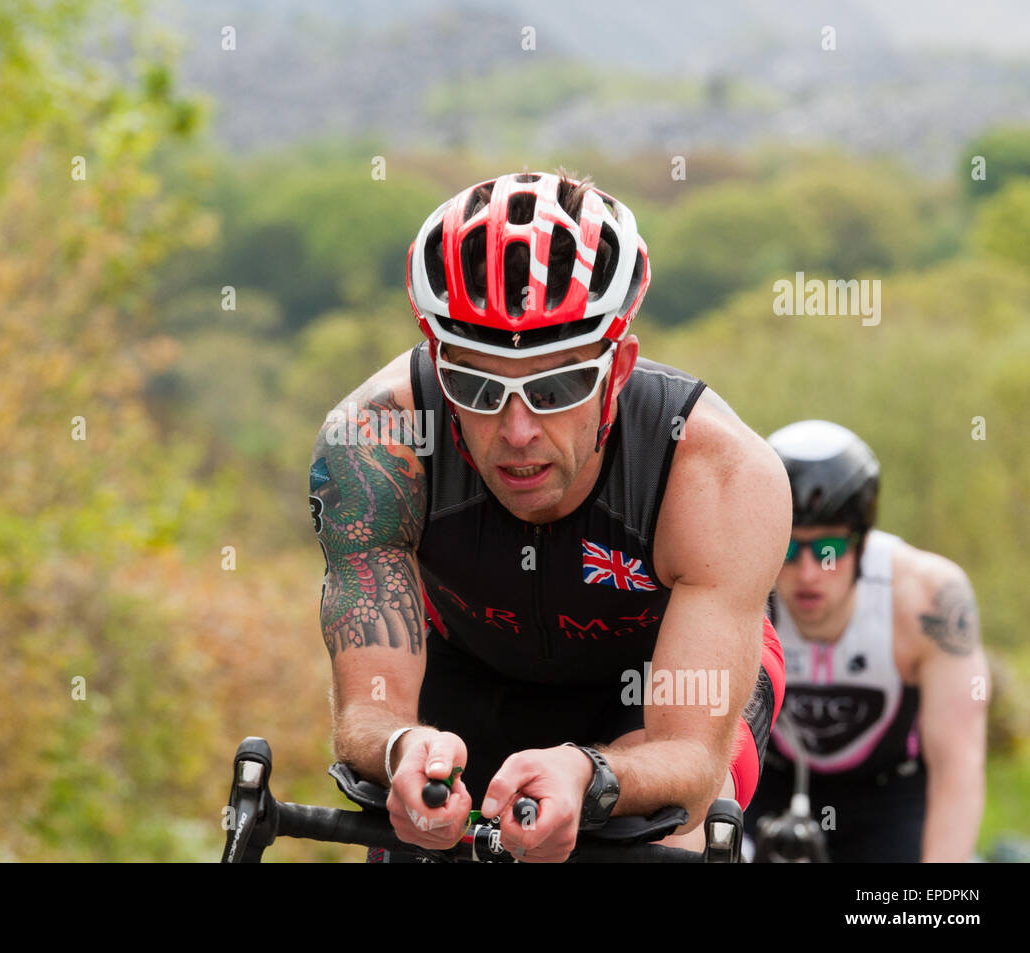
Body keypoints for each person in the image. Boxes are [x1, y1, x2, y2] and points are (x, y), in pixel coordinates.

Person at [308, 170, 790, 862]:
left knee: (672, 827)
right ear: (439, 365)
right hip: (469, 667)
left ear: (618, 366)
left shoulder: (720, 475)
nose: (517, 430)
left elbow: (689, 755)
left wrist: (591, 776)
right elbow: (368, 712)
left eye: (557, 385)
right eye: (475, 386)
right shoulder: (375, 446)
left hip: (656, 685)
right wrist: (402, 747)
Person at [745, 420, 989, 862]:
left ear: (861, 541)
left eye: (828, 550)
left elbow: (958, 764)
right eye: (786, 548)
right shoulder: (738, 581)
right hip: (770, 783)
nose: (807, 574)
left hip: (889, 794)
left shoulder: (928, 598)